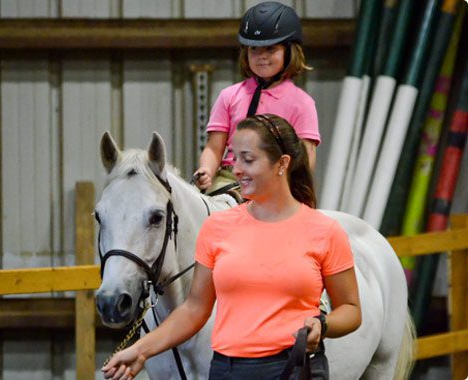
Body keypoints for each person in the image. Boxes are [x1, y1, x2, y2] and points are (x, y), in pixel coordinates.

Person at [102, 114, 361, 380]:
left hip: (293, 368)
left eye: (247, 160)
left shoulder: (324, 231)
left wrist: (323, 323)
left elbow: (351, 309)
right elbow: (194, 309)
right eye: (234, 157)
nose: (236, 169)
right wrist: (141, 351)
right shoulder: (217, 228)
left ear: (282, 164)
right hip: (227, 371)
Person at [194, 1, 320, 193]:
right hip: (231, 177)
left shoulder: (302, 103)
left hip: (278, 181)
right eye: (254, 49)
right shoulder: (229, 96)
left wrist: (294, 189)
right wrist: (207, 170)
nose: (261, 56)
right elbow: (214, 148)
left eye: (271, 49)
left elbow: (306, 156)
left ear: (290, 52)